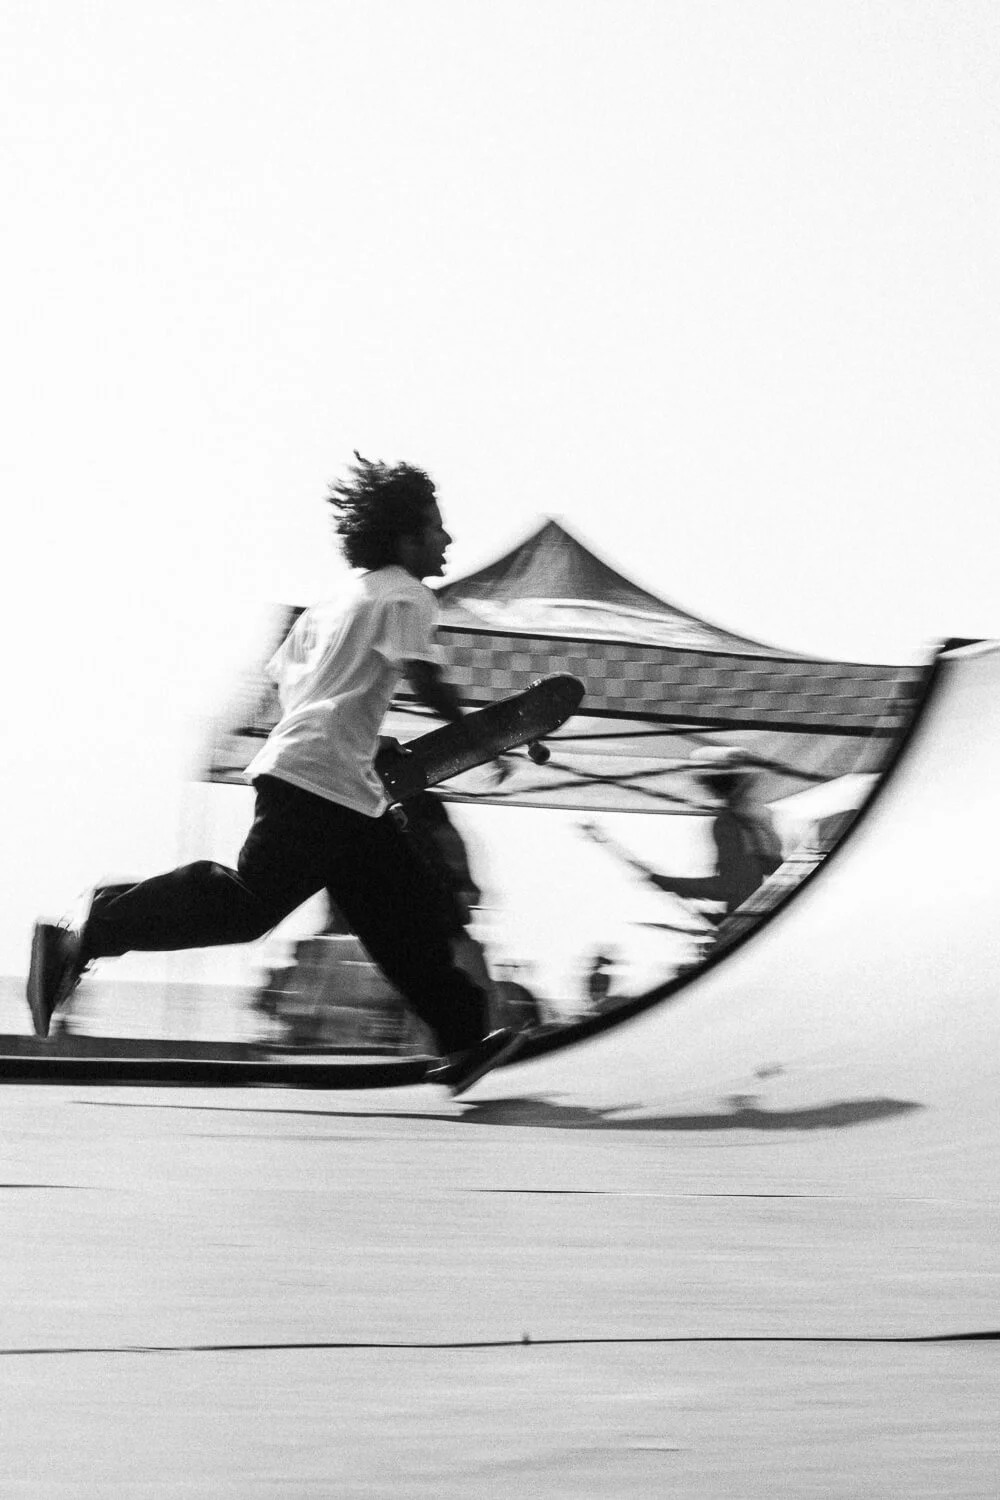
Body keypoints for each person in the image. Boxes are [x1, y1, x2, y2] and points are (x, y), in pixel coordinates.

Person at [27, 455, 520, 1092]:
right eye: (436, 527)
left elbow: (303, 693)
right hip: (321, 785)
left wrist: (365, 742)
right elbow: (424, 678)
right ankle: (90, 931)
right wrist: (485, 736)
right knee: (248, 905)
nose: (447, 540)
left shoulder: (327, 607)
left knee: (406, 912)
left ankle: (461, 1039)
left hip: (333, 783)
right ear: (405, 537)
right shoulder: (408, 595)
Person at [581, 747, 783, 928]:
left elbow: (733, 885)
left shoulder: (729, 822)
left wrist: (667, 883)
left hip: (746, 925)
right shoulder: (755, 820)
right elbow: (766, 871)